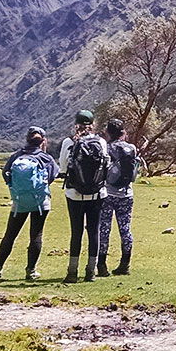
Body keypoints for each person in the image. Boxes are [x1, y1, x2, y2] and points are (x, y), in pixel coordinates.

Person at [0, 125, 59, 281]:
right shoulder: (46, 158)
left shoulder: (16, 156)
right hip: (40, 202)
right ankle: (30, 271)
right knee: (36, 235)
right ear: (43, 141)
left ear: (27, 139)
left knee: (10, 235)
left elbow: (6, 175)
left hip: (19, 201)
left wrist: (17, 189)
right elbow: (53, 176)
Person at [58, 110, 110, 284]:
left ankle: (72, 272)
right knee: (94, 231)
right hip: (97, 194)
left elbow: (63, 168)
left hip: (74, 193)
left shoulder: (69, 142)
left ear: (76, 124)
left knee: (76, 231)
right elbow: (106, 165)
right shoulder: (101, 142)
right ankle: (90, 272)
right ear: (93, 124)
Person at [98, 118, 141, 276]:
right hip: (126, 194)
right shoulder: (132, 148)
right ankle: (125, 264)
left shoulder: (106, 148)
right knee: (125, 229)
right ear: (123, 132)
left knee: (104, 228)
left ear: (108, 133)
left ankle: (102, 265)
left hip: (107, 194)